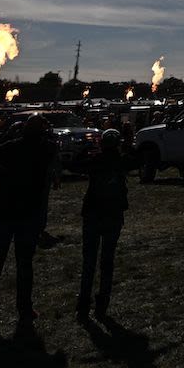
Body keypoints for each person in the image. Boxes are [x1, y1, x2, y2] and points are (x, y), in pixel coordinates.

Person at [0, 118, 55, 336]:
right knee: (24, 265)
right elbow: (52, 148)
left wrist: (6, 136)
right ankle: (25, 309)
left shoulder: (11, 148)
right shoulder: (45, 150)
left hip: (5, 212)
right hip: (28, 215)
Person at [77, 129, 130, 322]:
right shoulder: (121, 161)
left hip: (92, 213)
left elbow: (76, 165)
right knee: (107, 260)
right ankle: (103, 301)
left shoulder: (96, 161)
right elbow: (137, 160)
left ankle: (84, 301)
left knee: (89, 261)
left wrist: (84, 151)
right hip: (113, 215)